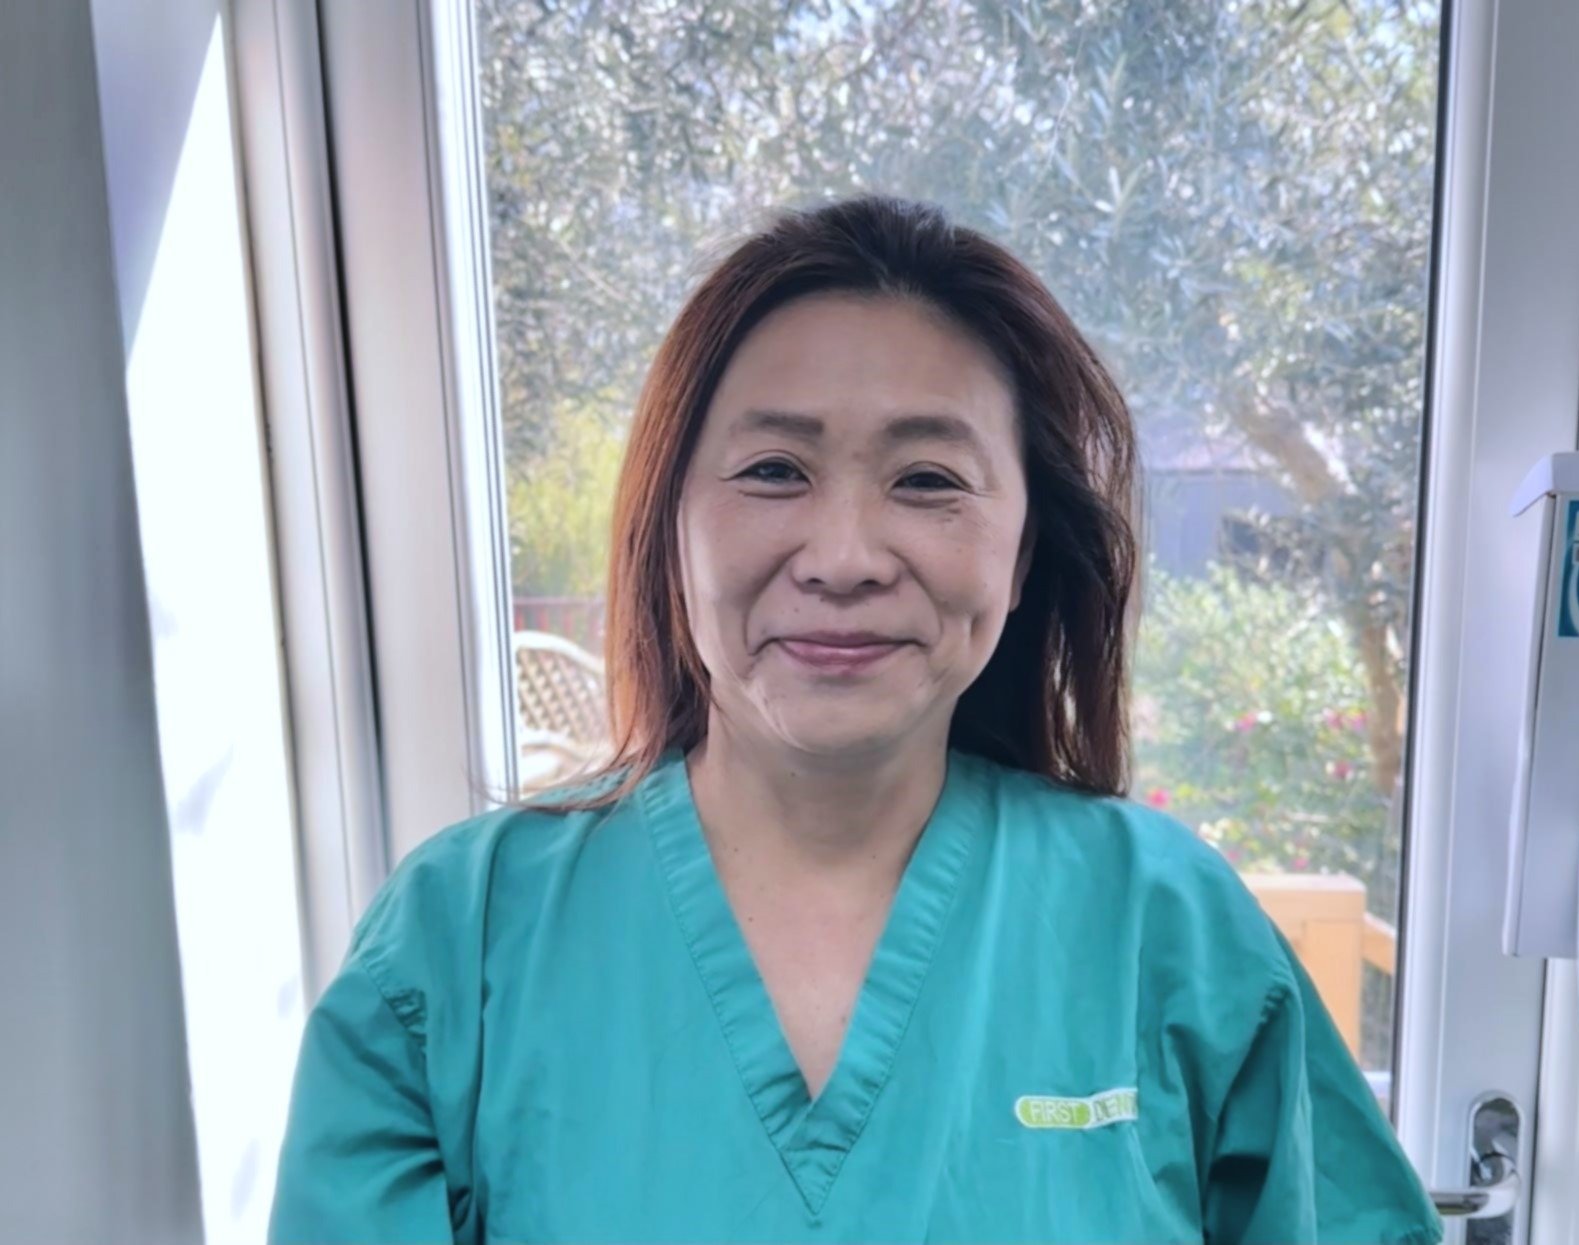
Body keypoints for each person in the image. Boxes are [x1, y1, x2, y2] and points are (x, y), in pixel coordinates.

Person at [268, 193, 1444, 1244]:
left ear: (1023, 550)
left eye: (927, 480)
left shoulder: (1169, 931)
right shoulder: (457, 945)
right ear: (669, 527)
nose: (842, 558)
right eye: (774, 470)